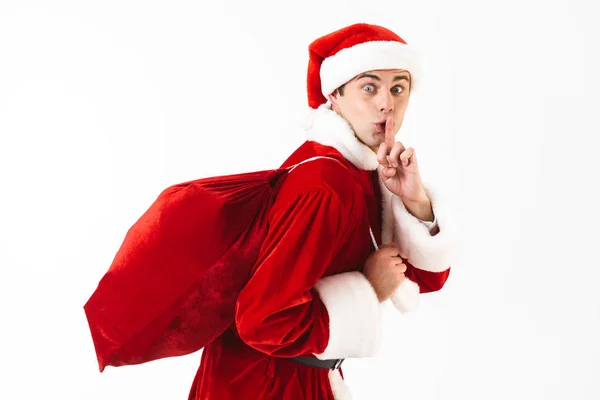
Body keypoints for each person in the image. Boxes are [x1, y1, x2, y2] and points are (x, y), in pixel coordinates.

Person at [187, 22, 455, 400]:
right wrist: (367, 288)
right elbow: (261, 321)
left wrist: (414, 201)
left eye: (398, 88)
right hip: (261, 386)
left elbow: (423, 279)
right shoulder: (326, 186)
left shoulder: (362, 171)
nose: (386, 103)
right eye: (368, 87)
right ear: (334, 95)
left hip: (297, 378)